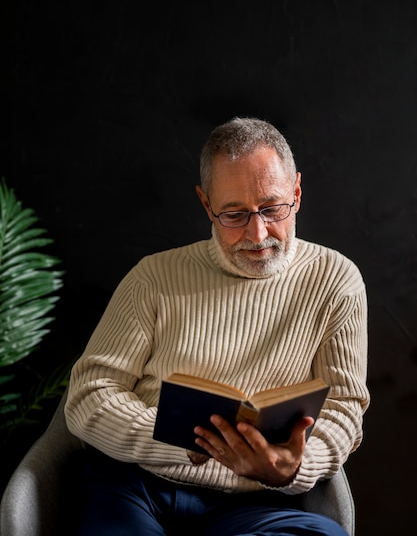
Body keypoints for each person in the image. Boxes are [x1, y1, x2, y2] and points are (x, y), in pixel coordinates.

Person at [65, 116, 370, 535]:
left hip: (254, 501)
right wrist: (186, 440)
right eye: (234, 214)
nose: (258, 232)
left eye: (272, 208)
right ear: (206, 204)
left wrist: (295, 465)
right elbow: (88, 397)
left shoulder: (337, 280)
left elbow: (344, 409)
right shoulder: (153, 277)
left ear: (296, 193)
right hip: (134, 485)